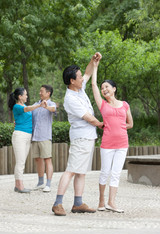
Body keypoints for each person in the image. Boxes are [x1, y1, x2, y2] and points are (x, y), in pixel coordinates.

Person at [52, 53, 103, 216]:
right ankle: (57, 203)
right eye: (79, 77)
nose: (82, 78)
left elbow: (88, 73)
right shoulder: (70, 98)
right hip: (81, 137)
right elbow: (88, 118)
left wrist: (92, 61)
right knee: (71, 170)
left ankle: (78, 203)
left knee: (81, 171)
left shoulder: (79, 89)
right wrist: (102, 124)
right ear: (72, 81)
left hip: (88, 137)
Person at [91, 53, 133, 213]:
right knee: (105, 172)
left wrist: (120, 128)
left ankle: (111, 202)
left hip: (122, 144)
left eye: (107, 87)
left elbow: (130, 124)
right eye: (102, 88)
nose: (104, 89)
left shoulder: (124, 105)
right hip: (107, 144)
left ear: (114, 89)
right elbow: (93, 85)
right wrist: (95, 67)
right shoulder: (103, 105)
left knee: (116, 173)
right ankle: (101, 201)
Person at [8, 88, 44, 193]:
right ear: (20, 96)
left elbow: (26, 115)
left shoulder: (23, 106)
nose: (26, 96)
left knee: (22, 161)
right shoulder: (17, 106)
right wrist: (39, 105)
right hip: (20, 136)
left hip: (27, 136)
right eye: (25, 94)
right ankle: (20, 186)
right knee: (20, 162)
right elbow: (28, 109)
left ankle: (17, 185)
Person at [32, 85, 56, 192]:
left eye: (42, 91)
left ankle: (48, 184)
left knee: (47, 159)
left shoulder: (51, 104)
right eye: (40, 91)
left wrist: (46, 106)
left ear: (48, 93)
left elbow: (53, 109)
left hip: (45, 136)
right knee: (38, 159)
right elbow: (28, 113)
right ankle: (40, 182)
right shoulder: (35, 104)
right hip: (35, 137)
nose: (40, 93)